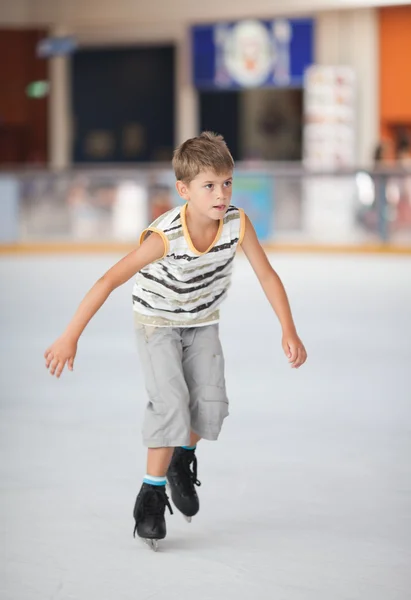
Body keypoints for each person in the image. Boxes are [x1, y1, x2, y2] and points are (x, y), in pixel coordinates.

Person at [44, 131, 307, 551]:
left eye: (226, 183)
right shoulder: (165, 237)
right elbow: (109, 278)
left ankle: (180, 461)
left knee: (210, 407)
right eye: (209, 185)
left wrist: (287, 328)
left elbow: (267, 274)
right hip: (156, 322)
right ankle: (150, 496)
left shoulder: (237, 224)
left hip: (202, 321)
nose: (221, 194)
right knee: (170, 403)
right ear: (184, 190)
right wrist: (69, 336)